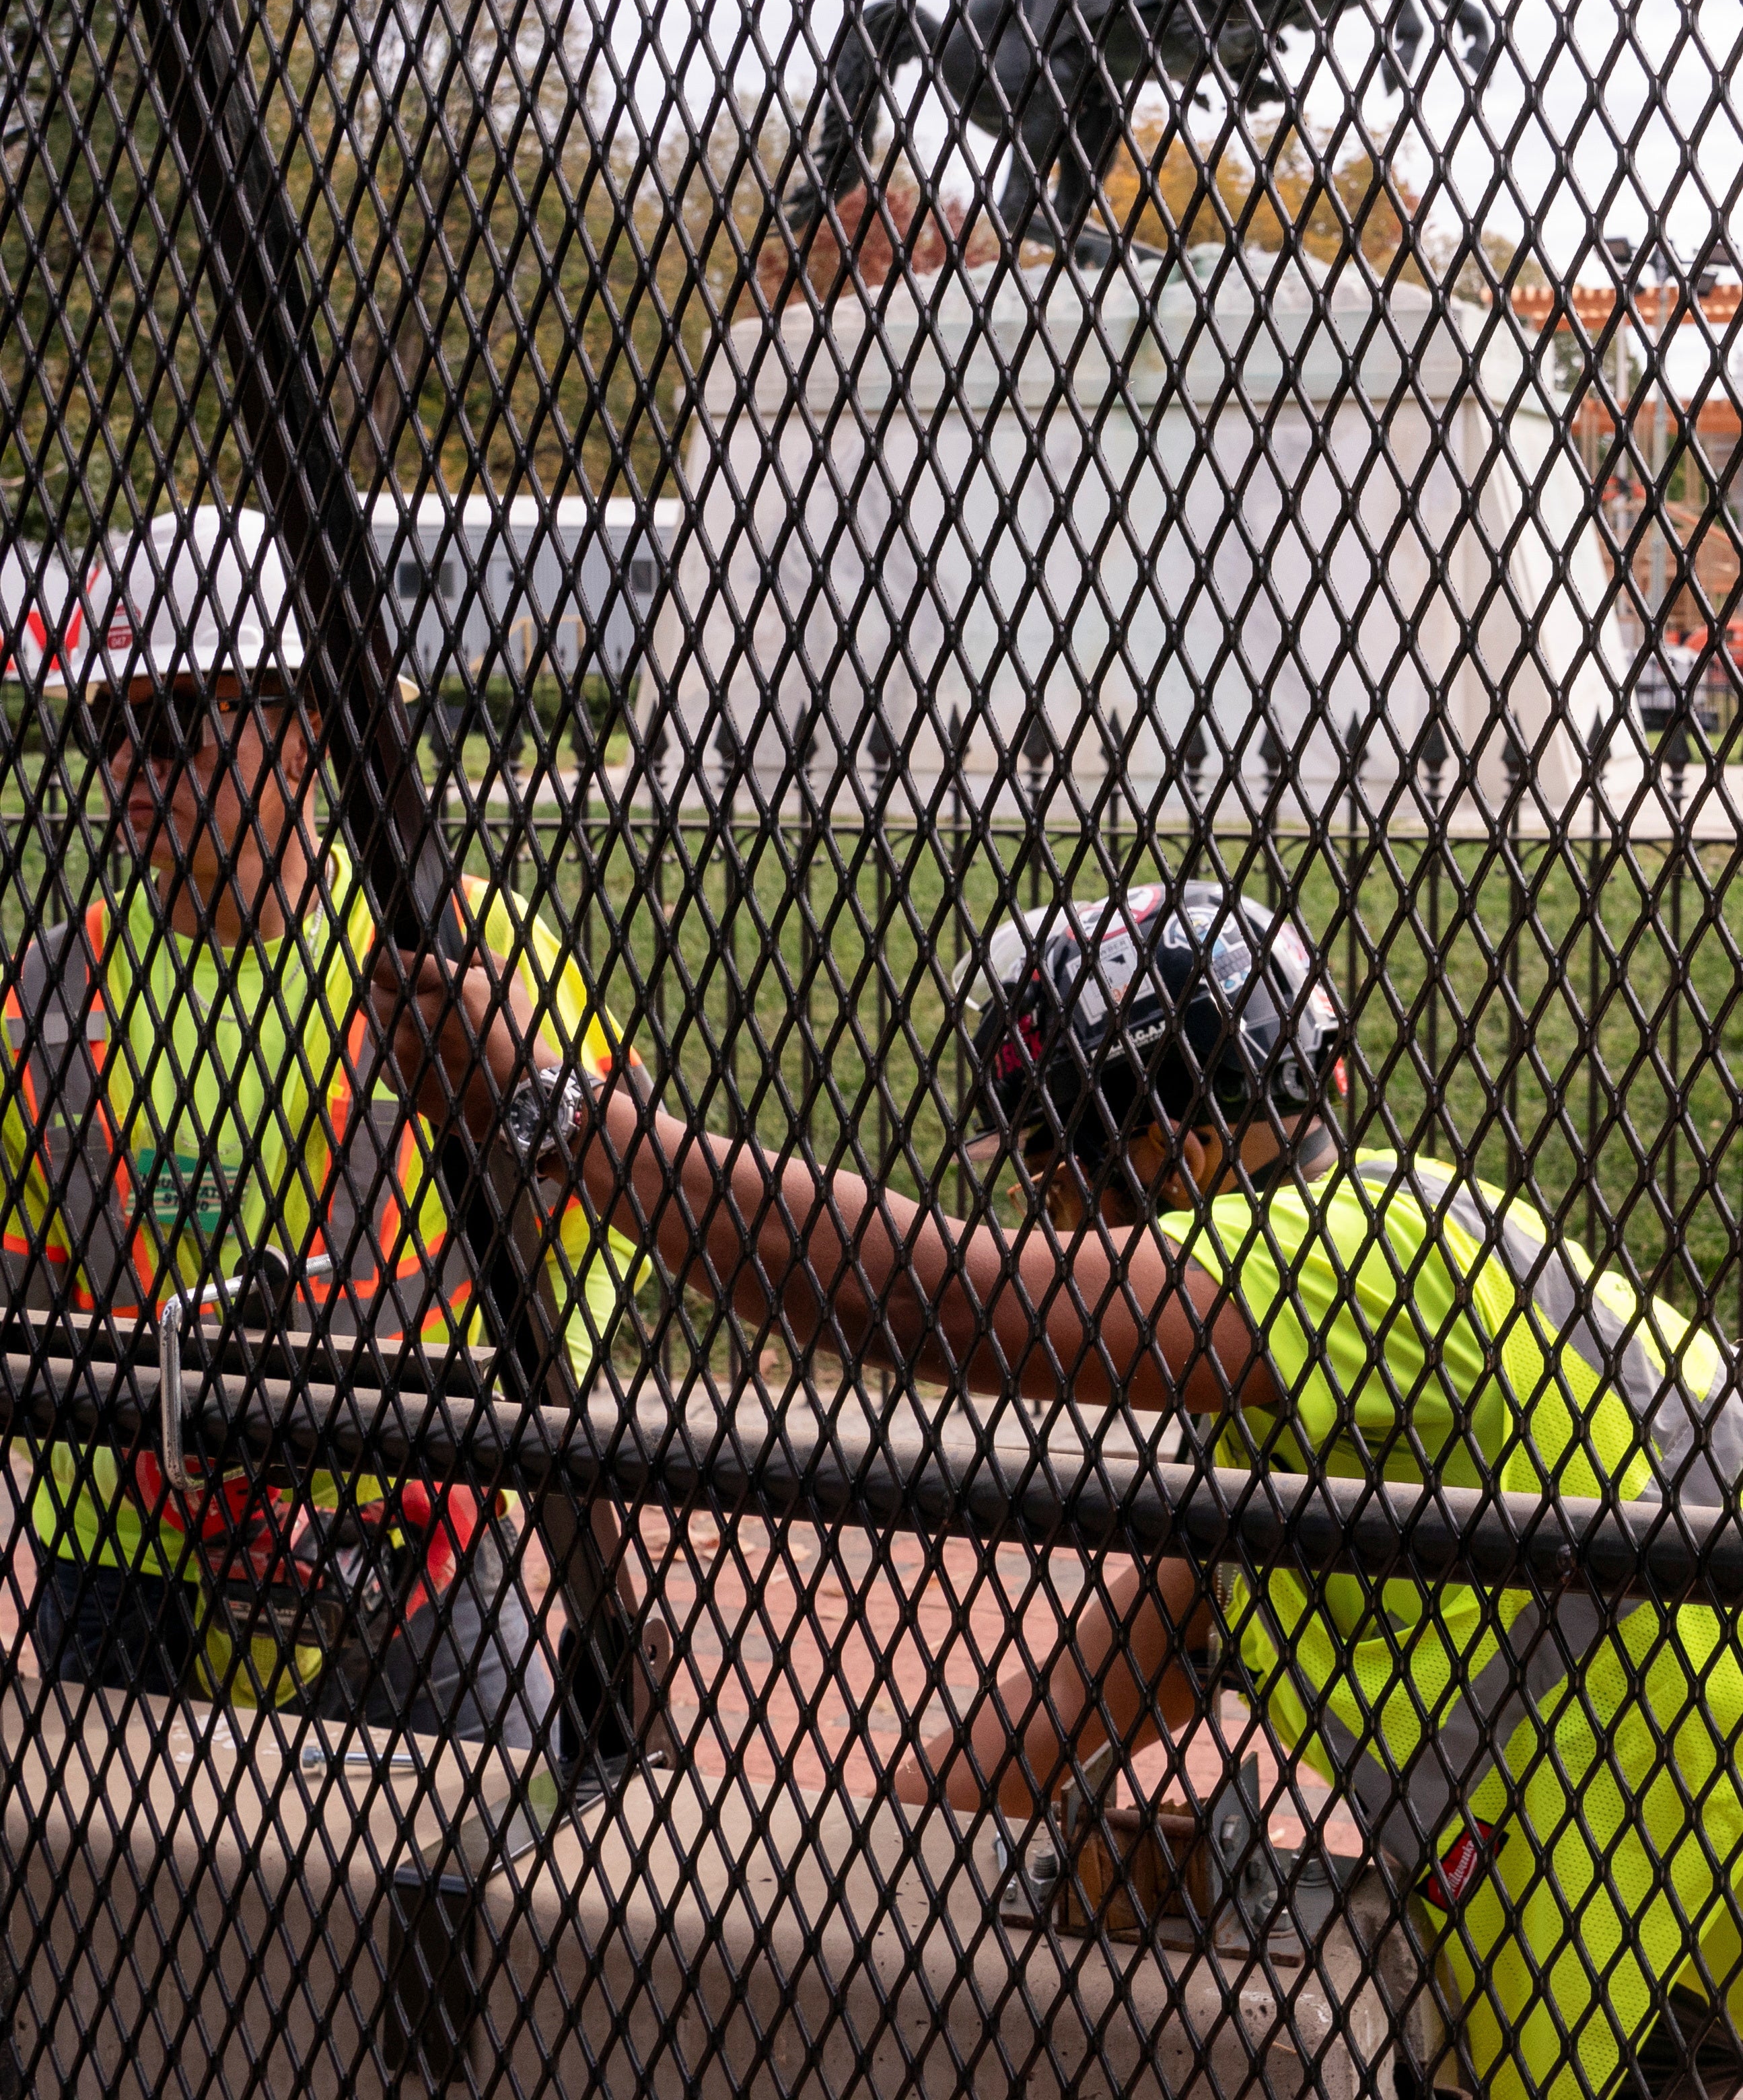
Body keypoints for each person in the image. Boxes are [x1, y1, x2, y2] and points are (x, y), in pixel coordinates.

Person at [541, 870, 1743, 2100]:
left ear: (1189, 1148)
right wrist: (753, 1866)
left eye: (1060, 1176)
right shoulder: (1293, 1457)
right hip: (1652, 1987)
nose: (1051, 1217)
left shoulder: (1375, 1254)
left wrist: (572, 1126)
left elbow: (944, 1299)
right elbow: (1070, 1700)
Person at [1, 507, 644, 1747]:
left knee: (486, 1917)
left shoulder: (474, 961)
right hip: (129, 1576)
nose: (129, 764)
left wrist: (472, 1451)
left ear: (303, 733)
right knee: (120, 1923)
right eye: (106, 723)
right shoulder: (42, 1003)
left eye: (174, 721)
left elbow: (606, 1224)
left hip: (409, 1562)